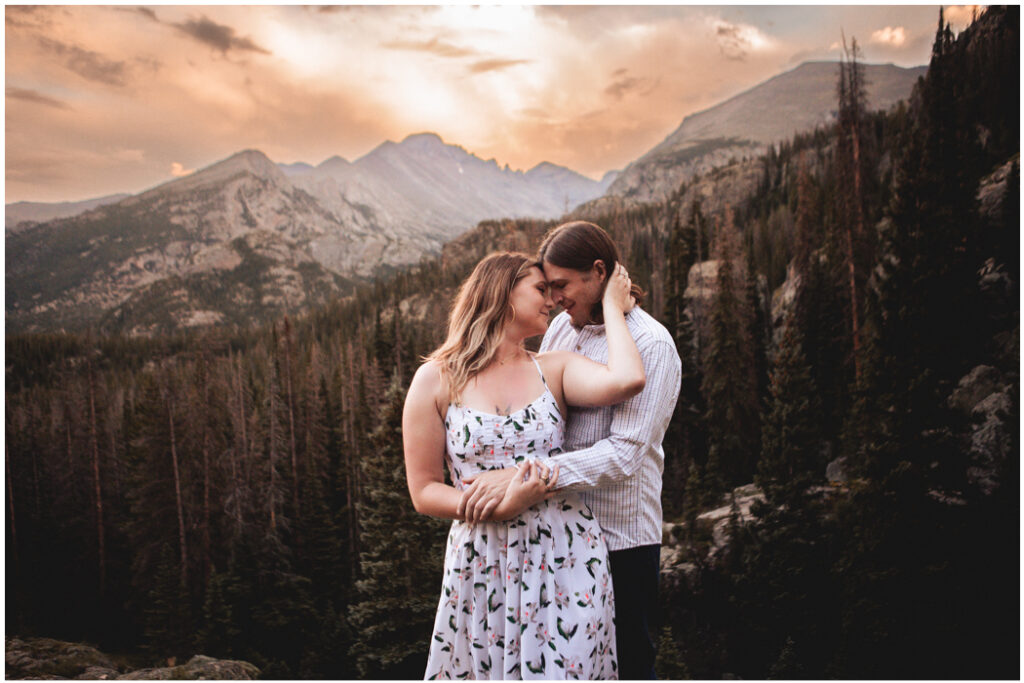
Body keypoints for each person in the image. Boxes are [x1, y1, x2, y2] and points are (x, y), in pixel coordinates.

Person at [403, 251, 646, 680]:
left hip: (565, 554)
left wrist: (611, 305)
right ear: (502, 291)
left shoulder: (553, 368)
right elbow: (423, 490)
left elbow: (627, 380)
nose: (551, 300)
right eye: (540, 289)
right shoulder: (436, 379)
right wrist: (497, 506)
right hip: (481, 561)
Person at [459, 221, 682, 680]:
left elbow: (624, 455)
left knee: (628, 662)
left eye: (560, 285)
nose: (554, 299)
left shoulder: (653, 345)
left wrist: (529, 474)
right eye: (546, 287)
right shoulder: (563, 329)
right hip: (556, 537)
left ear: (598, 272)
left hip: (620, 537)